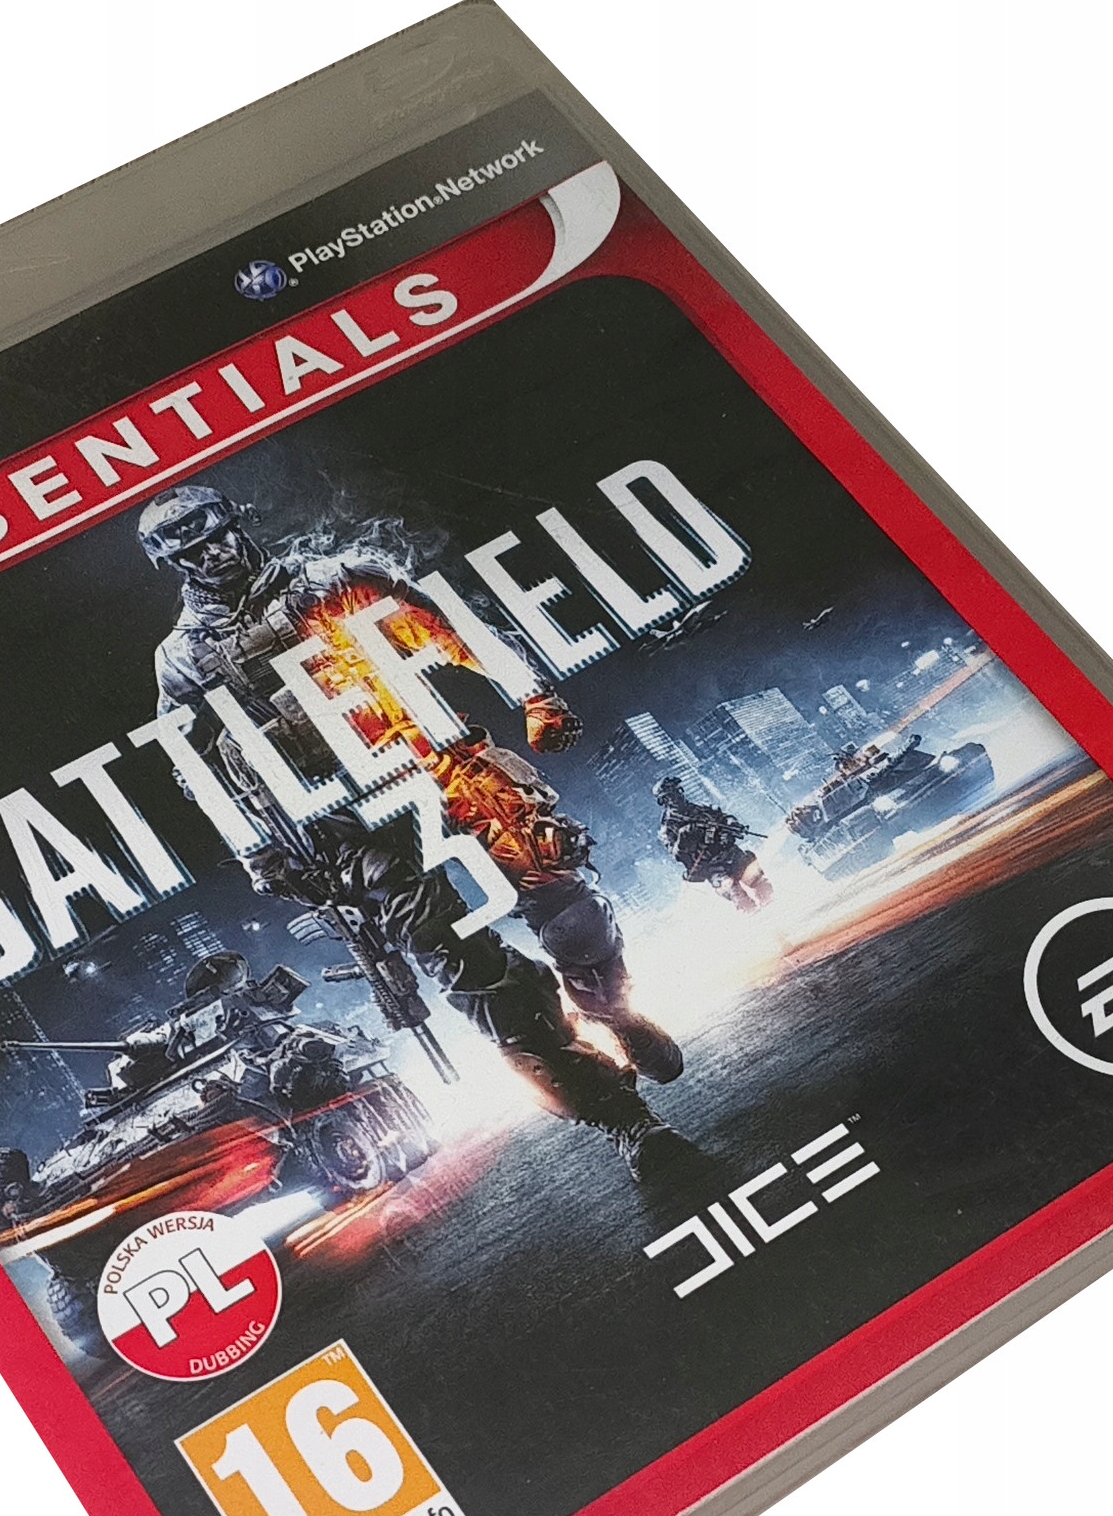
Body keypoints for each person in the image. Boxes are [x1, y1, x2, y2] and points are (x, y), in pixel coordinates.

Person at [135, 484, 687, 1177]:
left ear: (236, 524)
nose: (213, 554)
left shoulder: (328, 578)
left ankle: (616, 1011)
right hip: (348, 827)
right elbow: (195, 765)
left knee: (564, 901)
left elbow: (450, 628)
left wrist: (534, 694)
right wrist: (259, 853)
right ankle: (625, 1119)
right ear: (175, 564)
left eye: (216, 535)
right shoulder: (182, 659)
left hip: (436, 762)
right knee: (472, 975)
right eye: (193, 551)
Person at [654, 776, 774, 912]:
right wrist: (685, 835)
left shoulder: (702, 808)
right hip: (710, 866)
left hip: (730, 853)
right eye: (671, 795)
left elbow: (725, 817)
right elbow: (676, 854)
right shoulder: (668, 827)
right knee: (738, 897)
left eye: (678, 791)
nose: (677, 796)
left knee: (761, 885)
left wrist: (732, 825)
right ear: (664, 800)